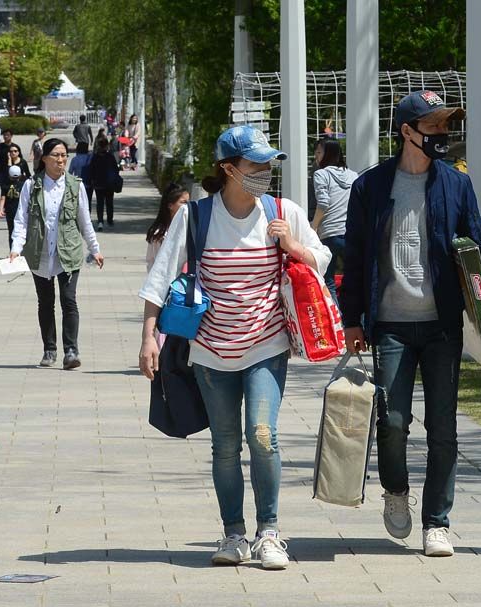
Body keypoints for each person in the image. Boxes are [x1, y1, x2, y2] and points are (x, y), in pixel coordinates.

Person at [138, 125, 331, 571]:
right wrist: (149, 337)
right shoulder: (196, 217)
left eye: (268, 164)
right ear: (228, 169)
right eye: (255, 164)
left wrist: (291, 244)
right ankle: (233, 534)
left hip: (266, 344)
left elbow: (321, 259)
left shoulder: (282, 211)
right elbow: (160, 279)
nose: (265, 171)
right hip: (210, 350)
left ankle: (269, 533)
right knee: (225, 445)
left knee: (262, 435)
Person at [340, 90, 481, 557]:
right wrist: (351, 318)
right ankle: (395, 490)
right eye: (432, 126)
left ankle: (437, 522)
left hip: (442, 325)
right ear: (407, 131)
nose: (442, 134)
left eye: (445, 126)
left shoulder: (456, 185)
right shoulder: (370, 187)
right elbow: (355, 256)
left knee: (443, 428)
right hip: (390, 325)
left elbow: (478, 247)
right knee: (392, 422)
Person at [9, 139, 104, 370]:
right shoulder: (31, 186)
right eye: (56, 155)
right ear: (44, 159)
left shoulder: (76, 186)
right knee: (45, 302)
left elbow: (84, 221)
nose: (61, 160)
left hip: (68, 252)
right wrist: (15, 248)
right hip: (40, 253)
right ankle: (49, 349)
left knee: (69, 300)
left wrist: (95, 249)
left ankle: (71, 351)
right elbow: (21, 220)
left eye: (63, 155)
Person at [310, 139, 358, 304]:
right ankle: (355, 317)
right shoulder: (353, 175)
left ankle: (336, 317)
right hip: (350, 234)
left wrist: (313, 227)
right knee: (354, 280)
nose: (316, 156)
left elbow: (323, 203)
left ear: (329, 154)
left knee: (328, 280)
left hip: (329, 235)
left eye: (319, 152)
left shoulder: (320, 174)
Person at [145, 182, 189, 270]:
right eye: (183, 202)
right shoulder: (159, 234)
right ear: (170, 205)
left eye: (188, 203)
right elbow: (152, 262)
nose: (187, 206)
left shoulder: (190, 228)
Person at [89, 135, 120, 231]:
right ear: (107, 146)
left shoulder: (95, 157)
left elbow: (91, 170)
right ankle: (110, 220)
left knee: (100, 203)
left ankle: (100, 221)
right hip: (109, 184)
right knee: (109, 202)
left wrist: (92, 180)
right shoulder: (110, 157)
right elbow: (116, 169)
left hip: (98, 184)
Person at [0, 161, 30, 249]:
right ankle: (22, 249)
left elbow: (3, 198)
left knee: (11, 231)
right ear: (20, 175)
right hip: (21, 211)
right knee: (23, 230)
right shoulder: (24, 185)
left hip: (10, 211)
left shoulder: (5, 185)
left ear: (9, 175)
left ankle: (12, 249)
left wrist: (0, 209)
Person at [68, 140, 94, 210]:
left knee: (78, 202)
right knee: (88, 201)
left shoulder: (75, 159)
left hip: (78, 184)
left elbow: (70, 172)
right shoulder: (90, 158)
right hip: (89, 183)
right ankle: (88, 214)